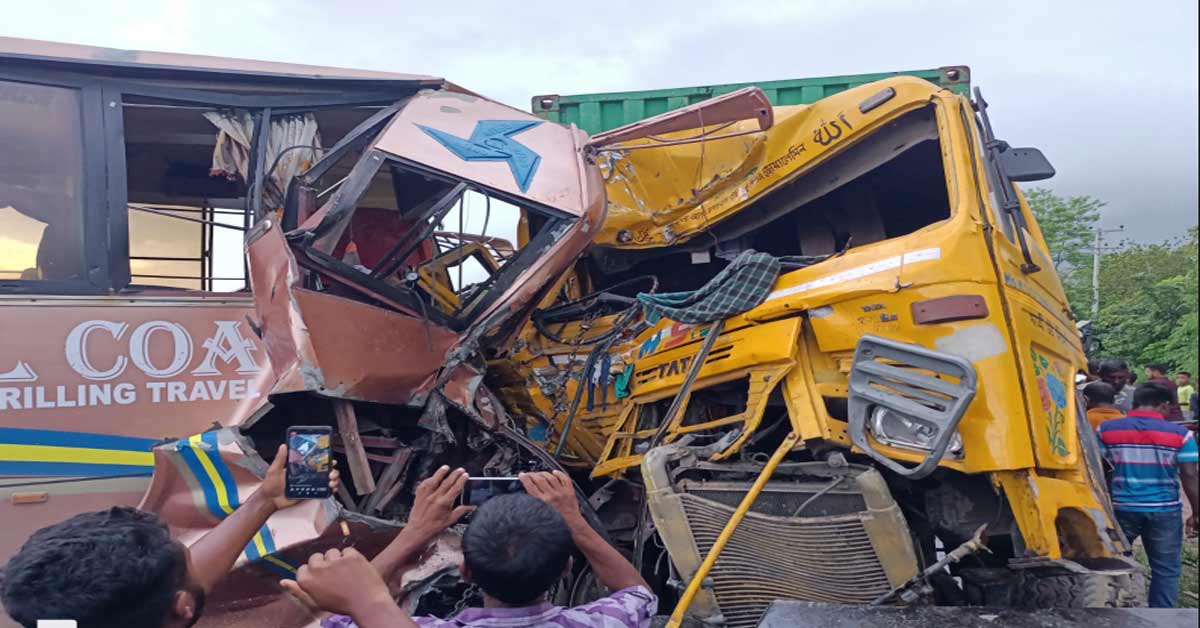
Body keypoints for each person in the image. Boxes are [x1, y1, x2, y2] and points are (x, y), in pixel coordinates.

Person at [0, 445, 339, 628]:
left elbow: (182, 587)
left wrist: (264, 500)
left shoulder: (56, 620)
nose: (197, 561)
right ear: (183, 606)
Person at [289, 466, 657, 628]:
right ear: (566, 568)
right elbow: (636, 592)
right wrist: (576, 522)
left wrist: (414, 532)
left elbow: (338, 613)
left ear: (465, 570)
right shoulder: (605, 622)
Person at [1096, 384, 1200, 608]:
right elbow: (1190, 475)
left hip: (1120, 509)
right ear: (1163, 405)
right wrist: (1196, 512)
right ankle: (1162, 619)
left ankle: (1110, 612)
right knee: (1166, 569)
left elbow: (1098, 469)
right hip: (1165, 510)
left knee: (1112, 564)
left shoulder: (1106, 430)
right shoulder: (1181, 435)